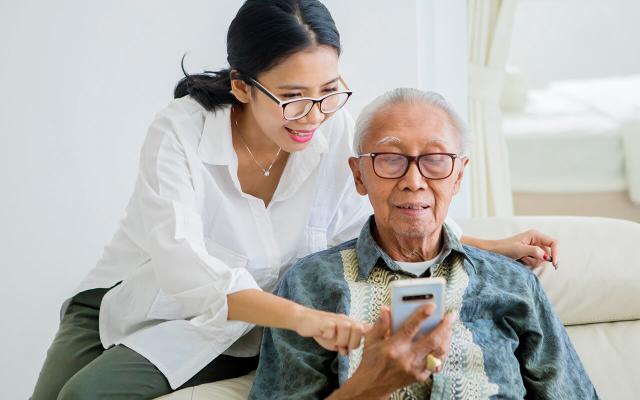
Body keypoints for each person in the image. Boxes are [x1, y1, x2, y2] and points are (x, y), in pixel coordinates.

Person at [31, 1, 558, 399]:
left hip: (237, 321)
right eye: (291, 97)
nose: (314, 114)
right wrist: (305, 319)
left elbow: (366, 220)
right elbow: (183, 269)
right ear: (241, 86)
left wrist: (489, 245)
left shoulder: (334, 128)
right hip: (132, 292)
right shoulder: (182, 132)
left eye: (328, 90)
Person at [249, 88, 598, 399]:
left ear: (458, 175)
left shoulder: (514, 284)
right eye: (390, 159)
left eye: (435, 160)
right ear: (359, 175)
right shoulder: (309, 285)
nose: (413, 181)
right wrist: (367, 386)